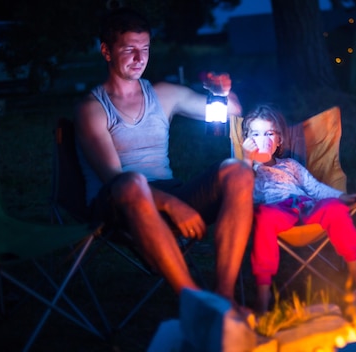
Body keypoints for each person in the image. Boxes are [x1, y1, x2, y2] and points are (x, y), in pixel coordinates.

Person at [74, 7, 254, 306]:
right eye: (129, 49)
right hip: (117, 205)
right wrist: (173, 206)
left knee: (238, 171)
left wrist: (221, 92)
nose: (139, 58)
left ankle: (224, 298)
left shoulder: (164, 94)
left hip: (167, 190)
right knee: (131, 182)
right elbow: (115, 180)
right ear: (106, 51)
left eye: (144, 49)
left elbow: (235, 111)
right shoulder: (91, 109)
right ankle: (194, 302)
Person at [240, 104, 356, 314]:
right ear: (246, 141)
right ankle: (263, 293)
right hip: (274, 212)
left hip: (305, 205)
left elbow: (315, 188)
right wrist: (247, 160)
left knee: (333, 208)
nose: (262, 139)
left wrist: (343, 197)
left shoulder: (290, 165)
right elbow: (241, 193)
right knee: (262, 218)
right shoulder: (244, 170)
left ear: (279, 141)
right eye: (255, 134)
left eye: (269, 133)